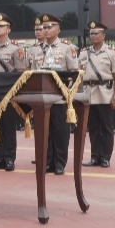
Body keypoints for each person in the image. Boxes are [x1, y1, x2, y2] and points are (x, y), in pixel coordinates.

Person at [35, 14, 78, 175]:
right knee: (45, 131)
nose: (46, 30)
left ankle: (60, 162)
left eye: (49, 27)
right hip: (43, 98)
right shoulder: (37, 49)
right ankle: (48, 161)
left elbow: (74, 73)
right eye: (44, 27)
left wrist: (68, 94)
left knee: (60, 131)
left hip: (60, 97)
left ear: (58, 29)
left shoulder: (68, 48)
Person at [0, 14, 25, 172]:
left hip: (8, 93)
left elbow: (21, 73)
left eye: (1, 26)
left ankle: (9, 158)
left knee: (8, 127)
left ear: (8, 29)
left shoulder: (16, 49)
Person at [79, 21, 115, 168]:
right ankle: (94, 156)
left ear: (103, 35)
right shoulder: (84, 53)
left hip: (105, 94)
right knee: (93, 128)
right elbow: (79, 75)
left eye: (96, 33)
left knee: (106, 128)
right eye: (91, 33)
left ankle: (105, 157)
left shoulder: (111, 53)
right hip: (89, 94)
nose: (93, 36)